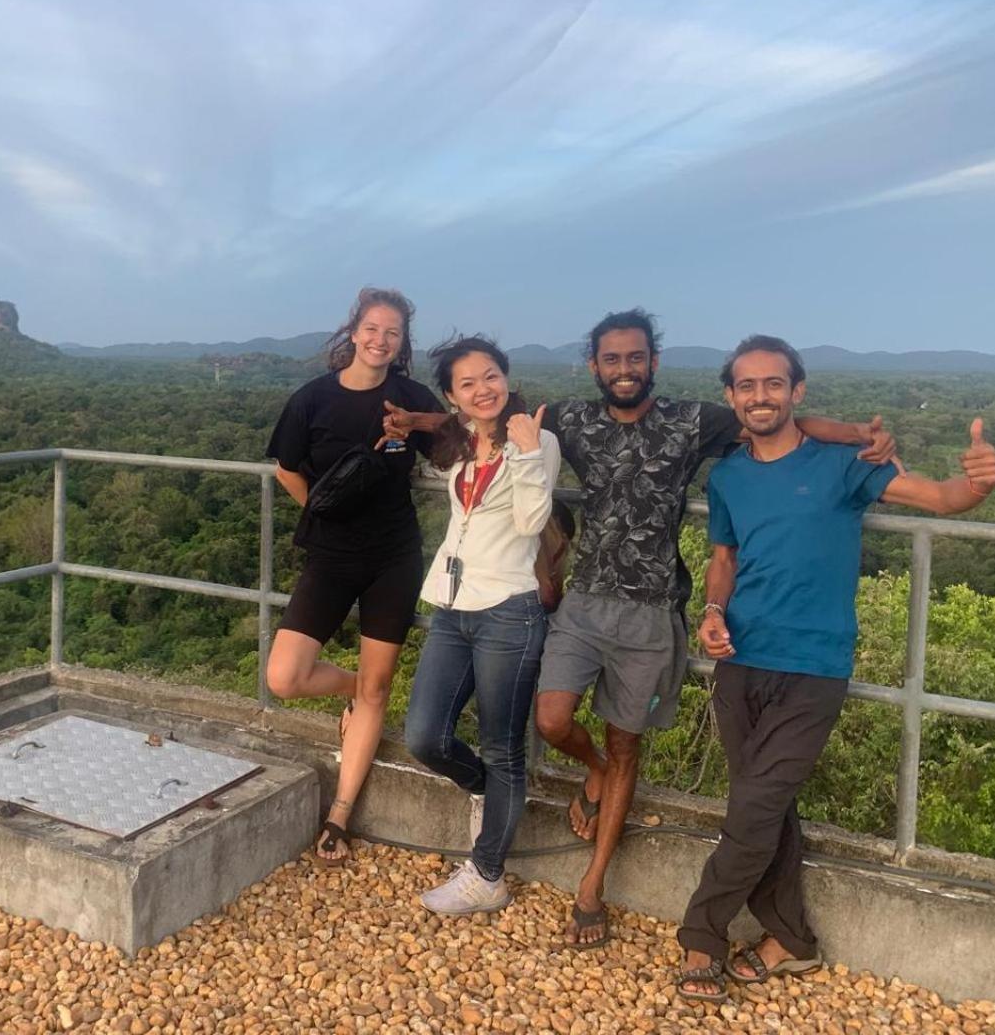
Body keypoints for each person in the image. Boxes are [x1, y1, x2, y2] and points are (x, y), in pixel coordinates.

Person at [384, 308, 897, 947]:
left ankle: (592, 886)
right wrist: (417, 420)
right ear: (594, 366)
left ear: (652, 362)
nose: (623, 370)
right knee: (551, 719)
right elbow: (481, 416)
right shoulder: (569, 419)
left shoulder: (691, 419)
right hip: (586, 603)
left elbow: (778, 420)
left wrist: (856, 434)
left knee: (628, 745)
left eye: (634, 358)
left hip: (653, 608)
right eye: (611, 359)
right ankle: (592, 770)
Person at [676, 335, 995, 1002]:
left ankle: (700, 933)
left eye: (774, 383)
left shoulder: (846, 463)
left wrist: (977, 482)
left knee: (756, 805)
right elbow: (724, 559)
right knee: (765, 808)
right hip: (739, 660)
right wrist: (711, 611)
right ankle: (791, 938)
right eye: (747, 385)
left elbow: (940, 498)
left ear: (797, 392)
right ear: (731, 397)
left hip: (815, 666)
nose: (760, 395)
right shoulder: (730, 474)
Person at [265, 286, 444, 863]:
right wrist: (324, 506)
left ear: (401, 342)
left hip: (394, 554)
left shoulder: (409, 397)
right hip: (332, 552)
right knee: (285, 677)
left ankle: (340, 815)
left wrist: (415, 423)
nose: (380, 340)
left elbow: (459, 434)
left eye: (392, 332)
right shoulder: (313, 399)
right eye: (372, 328)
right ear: (354, 331)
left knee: (379, 686)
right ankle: (353, 692)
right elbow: (286, 469)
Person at [402, 337, 562, 914]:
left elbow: (530, 521)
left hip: (508, 611)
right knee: (424, 736)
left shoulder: (536, 439)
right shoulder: (459, 439)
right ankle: (483, 792)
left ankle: (488, 874)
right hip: (451, 605)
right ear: (453, 395)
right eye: (467, 383)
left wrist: (522, 455)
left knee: (504, 749)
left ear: (506, 376)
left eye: (490, 376)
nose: (482, 389)